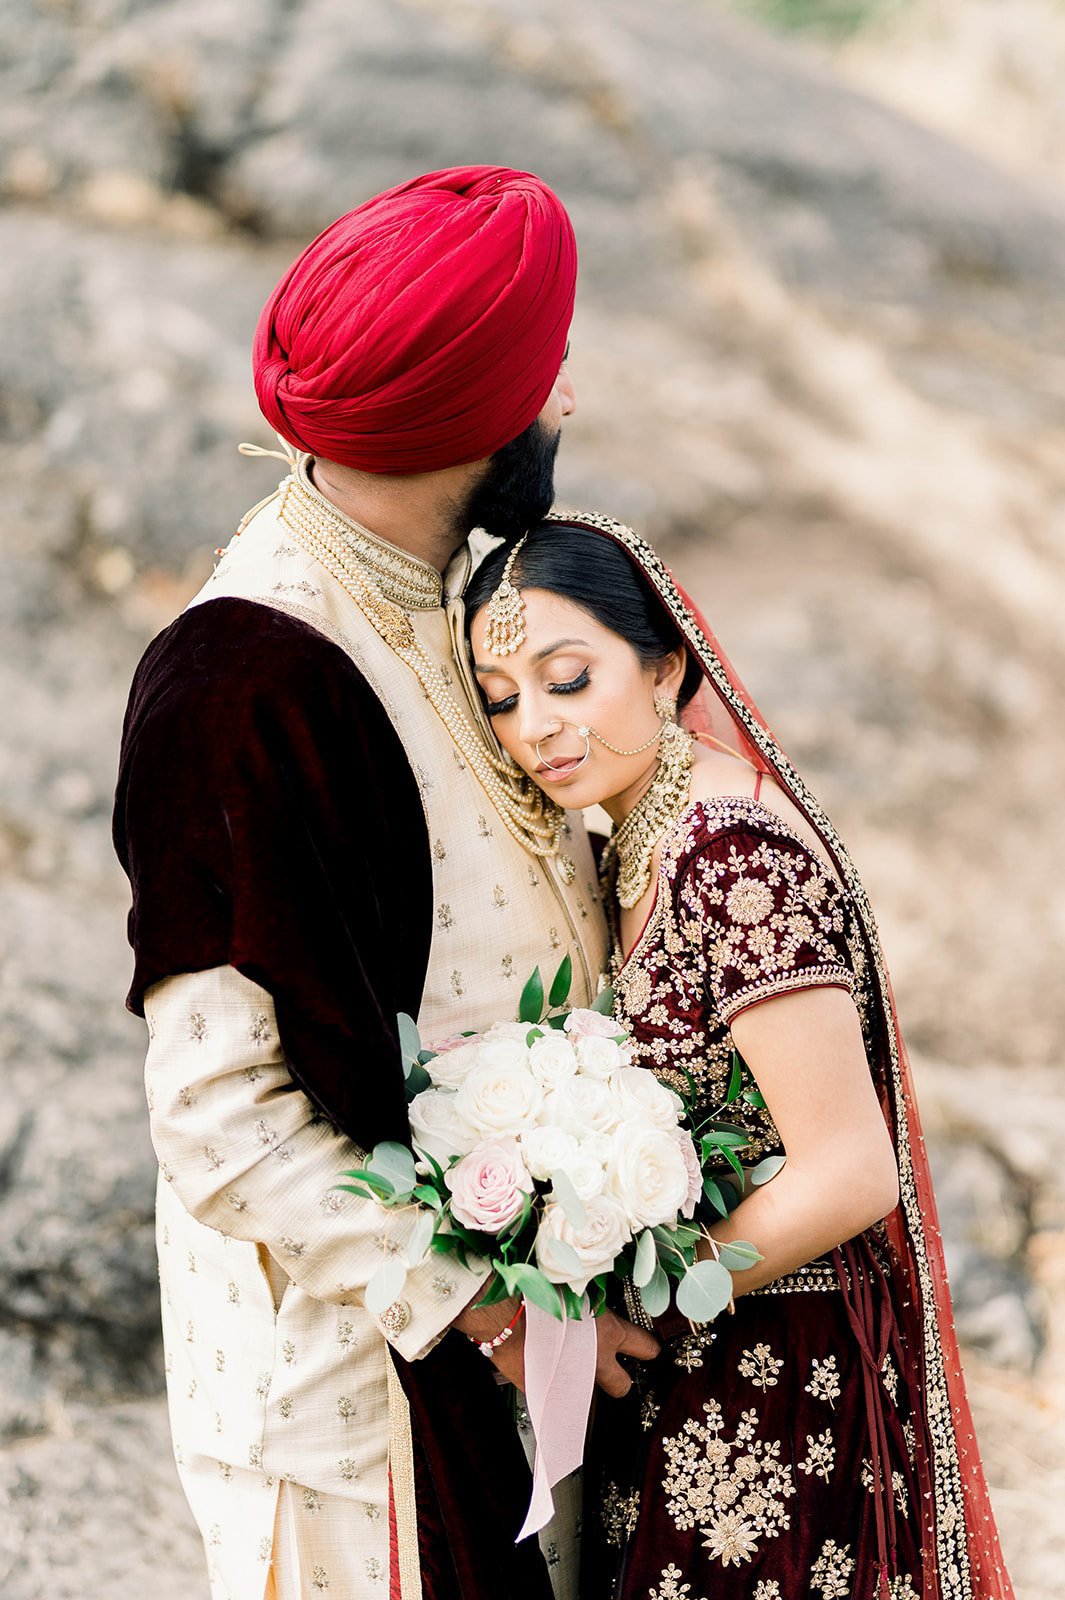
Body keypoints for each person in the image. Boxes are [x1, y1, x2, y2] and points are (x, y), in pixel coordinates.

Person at [112, 167, 657, 1600]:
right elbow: (220, 1120)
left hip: (522, 1367)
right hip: (360, 1422)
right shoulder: (244, 681)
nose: (565, 404)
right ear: (473, 415)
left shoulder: (467, 600)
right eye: (544, 376)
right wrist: (487, 1313)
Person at [464, 515, 1015, 1600]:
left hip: (780, 1374)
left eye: (569, 679)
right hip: (704, 1358)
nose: (537, 725)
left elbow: (852, 1170)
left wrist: (652, 1298)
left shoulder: (727, 852)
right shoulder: (636, 836)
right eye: (503, 698)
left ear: (667, 667)